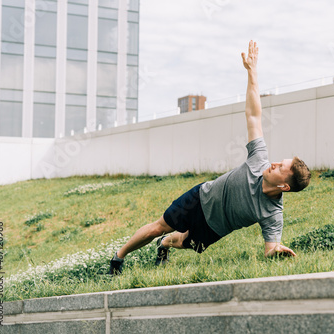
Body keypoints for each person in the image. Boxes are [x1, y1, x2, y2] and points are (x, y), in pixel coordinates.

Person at [108, 40, 311, 275]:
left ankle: (163, 246)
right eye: (280, 161)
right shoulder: (260, 159)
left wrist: (276, 251)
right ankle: (118, 258)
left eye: (280, 167)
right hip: (200, 198)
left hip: (215, 228)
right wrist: (252, 72)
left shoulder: (273, 213)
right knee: (159, 227)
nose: (274, 163)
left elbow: (270, 248)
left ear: (285, 185)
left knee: (183, 243)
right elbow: (254, 116)